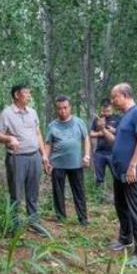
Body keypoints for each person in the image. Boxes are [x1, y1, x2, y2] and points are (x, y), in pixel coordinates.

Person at [102, 83, 137, 267]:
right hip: (119, 173)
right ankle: (125, 239)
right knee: (121, 207)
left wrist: (133, 166)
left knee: (136, 211)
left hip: (132, 173)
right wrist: (103, 130)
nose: (112, 101)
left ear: (124, 95)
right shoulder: (125, 117)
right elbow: (117, 142)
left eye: (115, 97)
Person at [0, 84, 51, 237]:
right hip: (16, 158)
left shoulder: (32, 112)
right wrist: (9, 138)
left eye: (29, 93)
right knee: (16, 194)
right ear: (17, 95)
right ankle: (14, 226)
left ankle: (33, 222)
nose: (29, 96)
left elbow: (38, 133)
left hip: (34, 157)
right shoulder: (7, 113)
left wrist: (44, 154)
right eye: (26, 93)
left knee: (33, 193)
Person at [45, 95, 90, 225]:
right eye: (59, 108)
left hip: (76, 163)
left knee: (79, 191)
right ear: (56, 109)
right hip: (57, 164)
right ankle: (61, 217)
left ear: (70, 107)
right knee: (58, 192)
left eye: (65, 108)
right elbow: (48, 143)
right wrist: (46, 160)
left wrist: (87, 155)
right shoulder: (52, 125)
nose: (62, 111)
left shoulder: (79, 122)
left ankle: (83, 219)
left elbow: (86, 138)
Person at [88, 99, 121, 187]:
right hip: (100, 152)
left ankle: (118, 195)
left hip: (113, 152)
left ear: (112, 108)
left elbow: (122, 133)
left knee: (117, 176)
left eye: (108, 111)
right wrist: (100, 133)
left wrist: (113, 131)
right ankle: (99, 195)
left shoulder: (118, 118)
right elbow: (91, 133)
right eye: (104, 111)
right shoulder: (98, 119)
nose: (106, 113)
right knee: (99, 178)